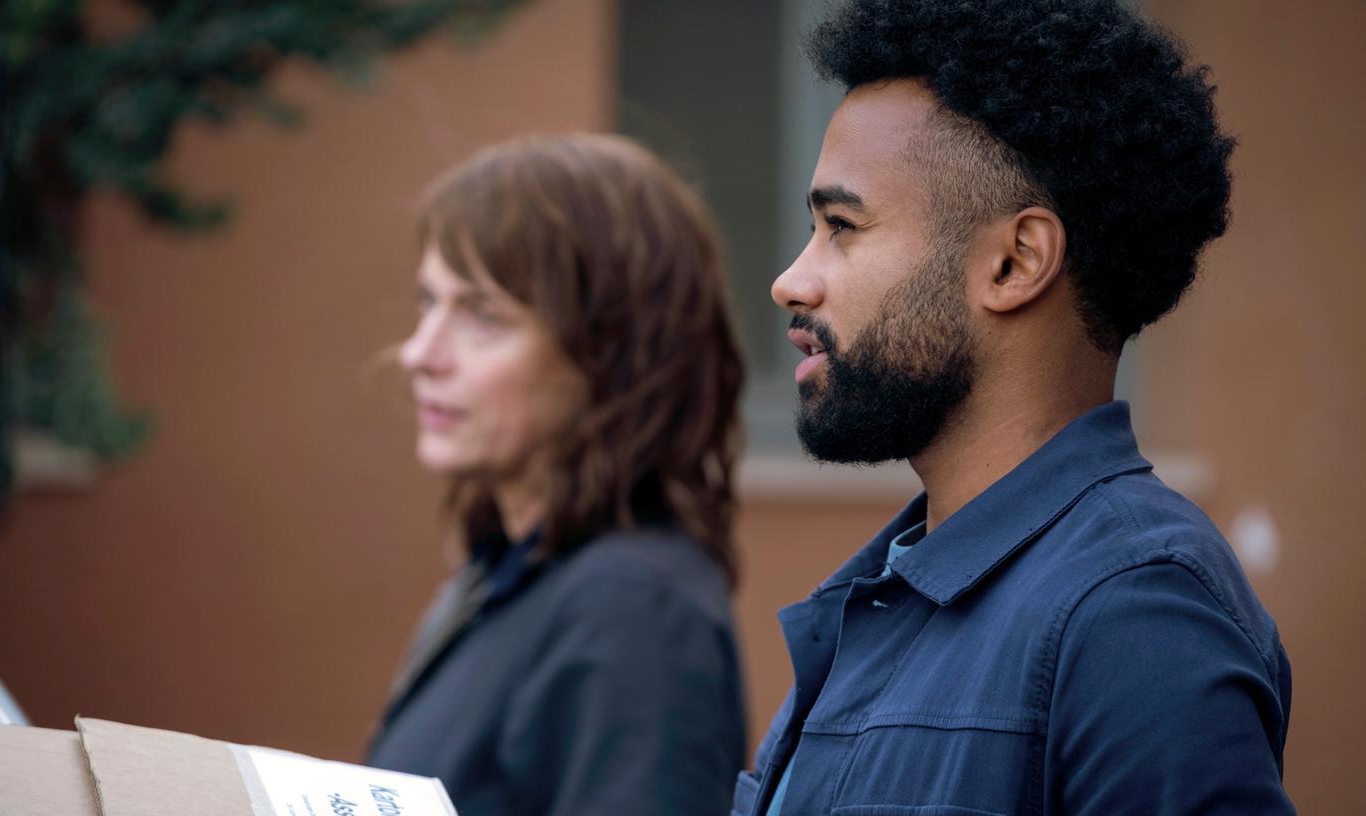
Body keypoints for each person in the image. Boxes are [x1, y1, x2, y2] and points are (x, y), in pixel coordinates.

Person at [736, 1, 1294, 814]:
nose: (792, 280)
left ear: (1013, 262)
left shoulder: (1136, 620)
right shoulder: (888, 593)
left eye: (842, 226)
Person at [367, 133, 746, 815]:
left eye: (482, 314)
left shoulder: (634, 610)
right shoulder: (509, 574)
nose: (420, 354)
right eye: (429, 302)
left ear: (610, 353)